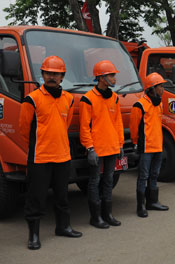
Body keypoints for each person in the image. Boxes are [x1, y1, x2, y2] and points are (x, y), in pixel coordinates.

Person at [19, 56, 82, 250]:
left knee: (63, 195)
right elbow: (24, 129)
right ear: (43, 75)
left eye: (56, 74)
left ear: (62, 76)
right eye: (48, 73)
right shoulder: (32, 100)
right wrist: (41, 145)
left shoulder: (69, 100)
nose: (52, 77)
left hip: (63, 156)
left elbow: (65, 124)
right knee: (36, 197)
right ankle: (34, 235)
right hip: (40, 157)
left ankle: (63, 227)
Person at [80, 60, 124, 228]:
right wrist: (90, 148)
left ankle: (108, 215)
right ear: (101, 77)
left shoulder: (114, 97)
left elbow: (118, 123)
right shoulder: (88, 99)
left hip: (112, 147)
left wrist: (120, 144)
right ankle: (96, 217)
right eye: (111, 75)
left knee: (108, 180)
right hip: (97, 149)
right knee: (94, 181)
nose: (114, 78)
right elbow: (85, 127)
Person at [131, 72, 169, 215]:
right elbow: (134, 128)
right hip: (146, 148)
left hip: (158, 146)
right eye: (160, 86)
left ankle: (152, 202)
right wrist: (136, 143)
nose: (163, 89)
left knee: (154, 175)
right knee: (143, 176)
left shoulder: (159, 104)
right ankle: (141, 206)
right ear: (152, 88)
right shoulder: (139, 105)